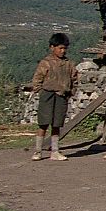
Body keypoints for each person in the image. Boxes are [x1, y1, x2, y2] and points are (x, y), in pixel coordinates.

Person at [30, 32, 78, 161]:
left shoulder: (69, 64)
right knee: (43, 123)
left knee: (57, 124)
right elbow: (37, 79)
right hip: (48, 95)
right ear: (52, 47)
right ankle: (38, 151)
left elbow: (74, 79)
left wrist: (70, 92)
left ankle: (55, 151)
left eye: (64, 48)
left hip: (62, 96)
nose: (62, 51)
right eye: (60, 48)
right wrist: (41, 91)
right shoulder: (46, 63)